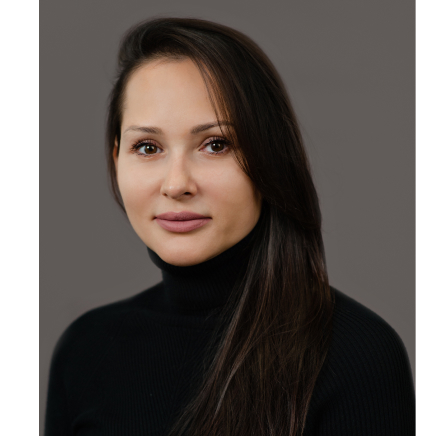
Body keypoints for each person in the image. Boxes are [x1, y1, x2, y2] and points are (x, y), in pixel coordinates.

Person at [44, 17, 415, 436]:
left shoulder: (356, 355)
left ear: (270, 158)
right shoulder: (85, 350)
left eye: (215, 144)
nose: (176, 184)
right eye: (147, 147)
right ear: (117, 159)